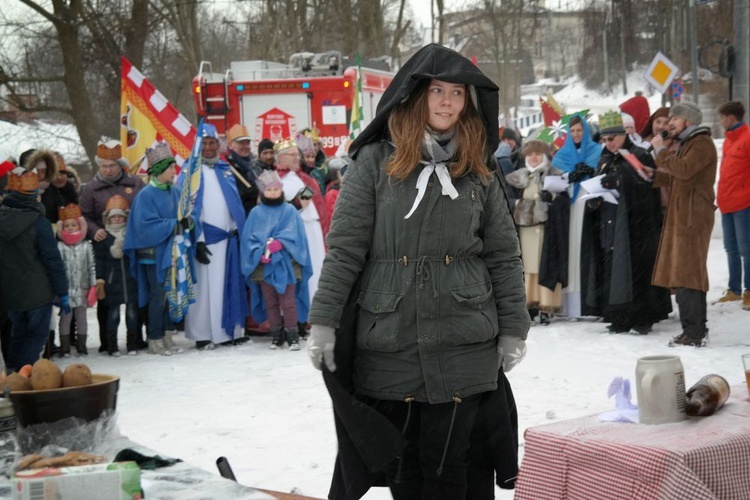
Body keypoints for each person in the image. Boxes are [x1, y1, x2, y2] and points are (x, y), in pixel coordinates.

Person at [307, 44, 530, 499]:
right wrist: (324, 321)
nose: (447, 102)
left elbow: (504, 257)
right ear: (414, 95)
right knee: (407, 475)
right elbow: (345, 249)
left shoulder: (479, 164)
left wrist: (513, 328)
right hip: (391, 343)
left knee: (461, 474)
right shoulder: (373, 161)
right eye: (436, 91)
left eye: (456, 93)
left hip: (465, 342)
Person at [581, 111, 671, 335]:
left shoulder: (639, 155)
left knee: (637, 272)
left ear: (623, 136)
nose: (608, 143)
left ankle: (642, 316)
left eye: (612, 139)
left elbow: (646, 189)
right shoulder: (605, 158)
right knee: (611, 269)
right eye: (604, 140)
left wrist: (620, 181)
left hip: (636, 227)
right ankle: (617, 315)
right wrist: (594, 198)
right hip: (608, 223)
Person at [649, 102, 717, 347]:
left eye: (673, 121)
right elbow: (677, 176)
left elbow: (686, 170)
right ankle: (692, 329)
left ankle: (695, 332)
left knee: (688, 273)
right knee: (683, 272)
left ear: (688, 121)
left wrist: (661, 152)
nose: (669, 126)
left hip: (693, 216)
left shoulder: (701, 143)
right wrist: (652, 173)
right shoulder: (686, 144)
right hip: (684, 215)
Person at [181, 125, 247, 349]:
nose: (208, 148)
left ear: (218, 145)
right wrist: (196, 239)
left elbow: (234, 201)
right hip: (204, 239)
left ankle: (230, 330)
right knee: (205, 289)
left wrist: (238, 226)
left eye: (212, 143)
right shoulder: (189, 171)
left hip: (228, 239)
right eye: (204, 143)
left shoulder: (225, 168)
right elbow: (186, 209)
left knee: (228, 284)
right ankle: (203, 333)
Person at [0, 165, 69, 372]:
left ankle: (12, 375)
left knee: (18, 333)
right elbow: (52, 260)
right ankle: (22, 376)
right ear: (33, 196)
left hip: (10, 291)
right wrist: (62, 291)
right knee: (36, 336)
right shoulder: (39, 223)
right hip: (37, 292)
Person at [80, 140, 144, 353]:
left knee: (134, 296)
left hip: (131, 244)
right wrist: (92, 230)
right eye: (103, 166)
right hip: (104, 245)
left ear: (120, 165)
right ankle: (107, 342)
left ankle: (137, 339)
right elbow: (85, 215)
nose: (107, 170)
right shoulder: (90, 189)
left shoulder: (135, 184)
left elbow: (142, 210)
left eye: (112, 165)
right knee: (106, 298)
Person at [240, 170, 313, 350]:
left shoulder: (290, 211)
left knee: (288, 301)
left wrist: (282, 243)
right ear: (262, 192)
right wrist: (260, 253)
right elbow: (248, 239)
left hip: (287, 264)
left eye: (276, 189)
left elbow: (298, 236)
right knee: (270, 301)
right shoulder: (256, 213)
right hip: (265, 266)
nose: (273, 192)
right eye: (269, 189)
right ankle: (276, 335)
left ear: (281, 190)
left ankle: (293, 334)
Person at [123, 142, 182, 356]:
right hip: (152, 256)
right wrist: (174, 225)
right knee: (157, 296)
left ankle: (166, 334)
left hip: (170, 253)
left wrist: (189, 223)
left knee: (167, 295)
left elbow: (185, 214)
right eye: (170, 168)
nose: (174, 172)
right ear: (158, 171)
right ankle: (154, 338)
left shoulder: (175, 192)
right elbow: (144, 226)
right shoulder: (145, 195)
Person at [505, 140, 563, 325]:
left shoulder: (555, 176)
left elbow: (562, 203)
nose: (534, 157)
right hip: (525, 229)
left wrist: (551, 200)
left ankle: (546, 308)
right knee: (527, 267)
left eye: (537, 154)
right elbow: (509, 200)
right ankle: (529, 306)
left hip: (548, 230)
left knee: (545, 266)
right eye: (530, 154)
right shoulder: (517, 177)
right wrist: (526, 207)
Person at [551, 114, 603, 318]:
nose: (576, 134)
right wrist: (569, 176)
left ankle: (588, 302)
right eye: (572, 131)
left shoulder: (596, 151)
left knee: (586, 249)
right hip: (568, 207)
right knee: (569, 248)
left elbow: (603, 174)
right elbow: (553, 181)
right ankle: (567, 303)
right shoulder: (562, 155)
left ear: (586, 131)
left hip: (588, 205)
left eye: (579, 130)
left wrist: (591, 171)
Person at [275, 137, 328, 309]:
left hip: (313, 228)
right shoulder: (273, 179)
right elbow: (273, 209)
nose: (297, 158)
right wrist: (295, 205)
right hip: (295, 233)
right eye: (292, 155)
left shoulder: (306, 178)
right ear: (281, 157)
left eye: (298, 154)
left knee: (318, 269)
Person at [94, 195, 141, 356]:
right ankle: (112, 345)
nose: (117, 219)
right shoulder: (103, 237)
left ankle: (132, 344)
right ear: (108, 218)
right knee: (113, 315)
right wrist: (100, 279)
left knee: (132, 314)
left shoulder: (131, 234)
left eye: (120, 216)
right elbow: (99, 260)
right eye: (113, 216)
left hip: (130, 280)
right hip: (112, 282)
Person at [715, 100, 750, 309]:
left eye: (721, 117)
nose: (720, 121)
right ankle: (734, 289)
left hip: (744, 203)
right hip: (727, 201)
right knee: (731, 248)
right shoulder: (729, 140)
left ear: (730, 117)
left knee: (747, 249)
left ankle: (749, 291)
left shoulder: (747, 138)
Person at [55, 203, 97, 357]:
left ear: (80, 226)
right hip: (65, 291)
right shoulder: (59, 247)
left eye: (74, 225)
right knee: (65, 319)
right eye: (67, 226)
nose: (71, 228)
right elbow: (57, 270)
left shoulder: (86, 246)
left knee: (81, 319)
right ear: (62, 229)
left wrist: (93, 286)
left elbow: (92, 266)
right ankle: (65, 347)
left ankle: (82, 345)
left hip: (83, 289)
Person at [224, 123, 261, 214]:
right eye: (241, 143)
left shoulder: (254, 164)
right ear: (230, 145)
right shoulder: (226, 166)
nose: (246, 146)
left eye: (247, 143)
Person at [41, 153, 79, 224]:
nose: (60, 177)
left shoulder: (71, 191)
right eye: (56, 174)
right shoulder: (43, 193)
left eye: (62, 173)